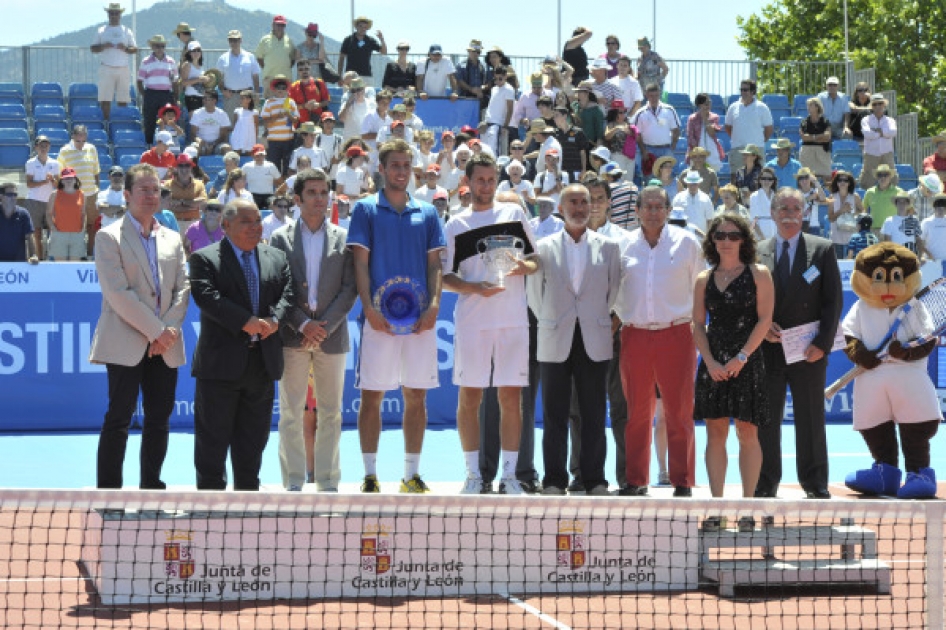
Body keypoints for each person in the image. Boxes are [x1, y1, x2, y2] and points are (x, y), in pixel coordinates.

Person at [347, 139, 445, 493]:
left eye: (406, 165)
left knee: (416, 398)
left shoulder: (429, 212)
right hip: (378, 322)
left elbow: (435, 265)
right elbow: (359, 262)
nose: (401, 171)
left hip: (420, 320)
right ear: (383, 169)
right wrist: (369, 309)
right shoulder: (365, 210)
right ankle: (370, 475)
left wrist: (434, 304)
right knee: (372, 397)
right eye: (395, 165)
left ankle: (411, 475)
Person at [442, 153, 539, 495]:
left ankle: (509, 477)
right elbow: (444, 277)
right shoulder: (455, 224)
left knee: (511, 399)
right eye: (479, 180)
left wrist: (519, 268)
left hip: (512, 322)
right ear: (467, 182)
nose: (485, 186)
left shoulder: (514, 213)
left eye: (490, 179)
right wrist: (474, 288)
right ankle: (472, 475)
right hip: (472, 323)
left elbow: (535, 261)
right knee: (469, 399)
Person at [89, 164, 189, 489]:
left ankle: (152, 487)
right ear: (128, 195)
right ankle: (109, 493)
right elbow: (118, 293)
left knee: (159, 421)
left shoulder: (173, 238)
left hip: (167, 345)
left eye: (155, 189)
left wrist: (169, 331)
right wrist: (157, 331)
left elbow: (182, 289)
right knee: (118, 419)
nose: (151, 195)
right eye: (144, 190)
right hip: (126, 342)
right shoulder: (108, 236)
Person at [189, 198, 293, 491]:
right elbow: (207, 297)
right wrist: (246, 321)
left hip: (261, 365)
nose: (254, 227)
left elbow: (288, 294)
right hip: (219, 368)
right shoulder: (205, 258)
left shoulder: (276, 256)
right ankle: (210, 503)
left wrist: (274, 320)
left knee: (253, 442)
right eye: (245, 222)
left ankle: (248, 499)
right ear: (225, 226)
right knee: (212, 443)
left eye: (257, 221)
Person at [526, 183, 621, 496]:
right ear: (560, 209)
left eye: (585, 202)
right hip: (554, 338)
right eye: (573, 203)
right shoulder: (542, 246)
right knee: (554, 415)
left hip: (594, 339)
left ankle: (594, 480)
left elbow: (614, 293)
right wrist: (552, 320)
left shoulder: (609, 247)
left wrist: (593, 320)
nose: (580, 208)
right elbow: (533, 296)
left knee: (594, 413)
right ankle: (554, 480)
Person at [269, 168, 357, 492]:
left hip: (332, 339)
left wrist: (324, 326)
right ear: (297, 198)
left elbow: (350, 289)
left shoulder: (344, 238)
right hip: (291, 337)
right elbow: (275, 287)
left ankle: (328, 483)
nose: (319, 199)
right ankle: (293, 483)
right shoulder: (279, 238)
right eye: (312, 193)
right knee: (290, 412)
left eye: (324, 193)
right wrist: (303, 323)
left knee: (331, 414)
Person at [756, 188, 843, 499]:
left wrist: (822, 343)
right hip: (767, 350)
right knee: (766, 420)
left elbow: (833, 301)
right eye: (783, 207)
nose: (789, 213)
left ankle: (815, 482)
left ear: (805, 212)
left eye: (795, 207)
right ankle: (765, 483)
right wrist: (761, 329)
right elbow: (750, 301)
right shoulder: (757, 251)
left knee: (811, 418)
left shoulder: (822, 249)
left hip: (809, 352)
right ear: (773, 211)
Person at [617, 185, 704, 496]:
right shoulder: (622, 244)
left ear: (668, 211)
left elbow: (701, 287)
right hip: (635, 334)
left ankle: (682, 480)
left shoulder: (687, 243)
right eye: (647, 206)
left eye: (659, 206)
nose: (653, 212)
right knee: (637, 412)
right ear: (637, 210)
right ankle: (636, 480)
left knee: (679, 411)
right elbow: (613, 289)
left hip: (676, 333)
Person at [693, 214, 774, 510]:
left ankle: (748, 508)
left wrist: (742, 357)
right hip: (713, 363)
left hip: (747, 361)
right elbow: (697, 325)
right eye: (721, 236)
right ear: (712, 240)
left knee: (747, 432)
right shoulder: (703, 278)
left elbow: (765, 320)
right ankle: (717, 507)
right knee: (715, 432)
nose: (726, 241)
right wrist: (711, 362)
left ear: (744, 240)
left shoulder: (759, 273)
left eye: (733, 235)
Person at [57, 125, 100, 257]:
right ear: (73, 137)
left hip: (91, 194)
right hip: (74, 196)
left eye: (83, 140)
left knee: (92, 227)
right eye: (78, 141)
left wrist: (96, 189)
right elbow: (60, 174)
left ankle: (90, 254)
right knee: (75, 226)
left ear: (86, 137)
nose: (81, 143)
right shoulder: (64, 151)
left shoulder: (91, 148)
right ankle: (77, 256)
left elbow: (96, 171)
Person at [90, 3, 137, 120]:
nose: (114, 15)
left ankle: (121, 123)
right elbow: (93, 48)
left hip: (123, 67)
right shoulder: (101, 30)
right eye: (111, 13)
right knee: (105, 98)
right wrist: (103, 46)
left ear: (120, 15)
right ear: (108, 14)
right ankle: (106, 123)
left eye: (116, 13)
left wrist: (125, 48)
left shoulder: (127, 31)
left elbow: (134, 48)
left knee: (123, 98)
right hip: (106, 67)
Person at [726, 79, 774, 173]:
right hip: (738, 149)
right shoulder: (733, 107)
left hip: (756, 149)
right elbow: (728, 127)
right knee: (736, 179)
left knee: (758, 178)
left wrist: (759, 141)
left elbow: (769, 129)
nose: (743, 92)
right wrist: (738, 139)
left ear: (753, 91)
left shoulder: (762, 107)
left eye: (745, 90)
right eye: (741, 90)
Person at [24, 135, 59, 260]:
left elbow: (57, 185)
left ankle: (52, 258)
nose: (44, 147)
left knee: (52, 231)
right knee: (36, 232)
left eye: (46, 145)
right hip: (34, 201)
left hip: (50, 201)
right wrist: (45, 181)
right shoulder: (30, 163)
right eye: (41, 145)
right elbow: (29, 184)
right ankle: (38, 258)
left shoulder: (54, 163)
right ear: (36, 147)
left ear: (49, 147)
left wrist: (53, 179)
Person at [137, 34, 177, 145]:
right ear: (152, 47)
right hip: (151, 93)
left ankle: (169, 145)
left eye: (162, 46)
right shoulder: (145, 61)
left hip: (166, 94)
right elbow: (139, 80)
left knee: (169, 121)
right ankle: (149, 145)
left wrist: (175, 97)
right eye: (157, 46)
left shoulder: (171, 62)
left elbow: (175, 81)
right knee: (149, 121)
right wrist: (145, 95)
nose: (159, 48)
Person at [631, 84, 681, 170]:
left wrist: (673, 146)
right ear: (646, 95)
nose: (654, 98)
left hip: (666, 149)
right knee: (649, 179)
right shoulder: (640, 113)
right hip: (648, 150)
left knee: (666, 177)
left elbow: (676, 129)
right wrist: (643, 151)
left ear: (659, 94)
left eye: (656, 95)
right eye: (651, 96)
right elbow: (637, 134)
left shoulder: (669, 110)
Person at [259, 75, 299, 175]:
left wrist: (288, 114)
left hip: (288, 139)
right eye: (278, 87)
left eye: (283, 88)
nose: (280, 90)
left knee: (287, 166)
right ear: (274, 89)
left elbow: (296, 120)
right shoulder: (269, 102)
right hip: (273, 140)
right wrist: (278, 116)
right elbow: (265, 120)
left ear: (286, 89)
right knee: (273, 166)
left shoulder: (291, 102)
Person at [216, 30, 261, 117]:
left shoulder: (250, 56)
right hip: (230, 96)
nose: (234, 42)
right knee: (231, 123)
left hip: (248, 95)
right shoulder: (222, 58)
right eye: (231, 40)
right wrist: (223, 91)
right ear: (228, 42)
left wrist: (257, 94)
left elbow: (255, 76)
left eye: (236, 40)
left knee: (248, 122)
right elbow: (219, 78)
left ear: (241, 41)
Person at [46, 168, 86, 261]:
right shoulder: (54, 194)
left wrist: (83, 228)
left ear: (75, 179)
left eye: (71, 178)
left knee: (74, 266)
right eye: (66, 178)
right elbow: (48, 213)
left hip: (77, 234)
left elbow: (83, 213)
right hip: (59, 234)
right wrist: (52, 227)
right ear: (62, 180)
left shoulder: (82, 194)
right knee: (60, 267)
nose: (68, 180)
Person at [860, 94, 898, 189]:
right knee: (868, 179)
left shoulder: (890, 120)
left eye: (880, 103)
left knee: (892, 176)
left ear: (884, 105)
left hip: (886, 152)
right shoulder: (866, 120)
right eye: (875, 104)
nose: (877, 106)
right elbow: (867, 134)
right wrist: (883, 133)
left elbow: (893, 132)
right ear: (871, 107)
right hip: (871, 153)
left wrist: (877, 132)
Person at [255, 15, 296, 99]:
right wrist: (267, 67)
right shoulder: (264, 40)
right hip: (269, 77)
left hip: (286, 78)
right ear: (273, 25)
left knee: (286, 106)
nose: (280, 27)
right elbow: (259, 57)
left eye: (282, 25)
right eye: (278, 24)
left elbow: (292, 59)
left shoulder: (289, 41)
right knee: (269, 104)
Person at [826, 170, 864, 257]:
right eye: (840, 180)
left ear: (849, 183)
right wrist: (841, 210)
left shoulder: (855, 197)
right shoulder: (832, 197)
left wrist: (853, 212)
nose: (842, 182)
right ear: (836, 182)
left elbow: (863, 212)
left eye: (845, 180)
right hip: (836, 237)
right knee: (836, 265)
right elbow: (830, 218)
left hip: (852, 238)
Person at [338, 16, 386, 83]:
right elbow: (341, 58)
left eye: (365, 27)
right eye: (360, 26)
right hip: (350, 76)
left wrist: (382, 39)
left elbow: (384, 52)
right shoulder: (348, 40)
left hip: (366, 75)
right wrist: (339, 75)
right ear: (356, 27)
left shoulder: (370, 40)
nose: (363, 29)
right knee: (349, 93)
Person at [167, 153, 207, 231]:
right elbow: (165, 204)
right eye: (181, 166)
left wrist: (181, 202)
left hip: (194, 223)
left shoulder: (199, 184)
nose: (184, 169)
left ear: (191, 167)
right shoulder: (167, 184)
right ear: (176, 168)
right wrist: (192, 205)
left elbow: (203, 202)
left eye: (187, 166)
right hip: (174, 223)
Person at [483, 66, 516, 155]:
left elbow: (510, 110)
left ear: (505, 76)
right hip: (487, 123)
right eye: (496, 79)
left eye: (500, 79)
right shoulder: (494, 89)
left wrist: (505, 126)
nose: (497, 81)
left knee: (493, 151)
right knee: (484, 150)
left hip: (497, 124)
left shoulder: (509, 89)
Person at [687, 93, 724, 170]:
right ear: (700, 105)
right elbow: (690, 137)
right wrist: (698, 153)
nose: (708, 106)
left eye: (709, 103)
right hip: (697, 151)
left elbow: (712, 133)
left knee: (712, 175)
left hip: (712, 151)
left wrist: (705, 119)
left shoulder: (714, 117)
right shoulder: (692, 118)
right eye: (706, 104)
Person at [0, 181, 35, 263]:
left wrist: (33, 255)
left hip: (19, 263)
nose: (13, 197)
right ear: (1, 196)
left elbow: (30, 237)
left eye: (15, 195)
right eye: (9, 195)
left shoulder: (23, 214)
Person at [799, 97, 833, 181]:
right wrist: (820, 137)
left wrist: (812, 137)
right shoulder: (804, 122)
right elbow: (804, 137)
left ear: (817, 107)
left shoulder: (825, 121)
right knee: (806, 176)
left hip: (822, 151)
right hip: (807, 151)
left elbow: (827, 136)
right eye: (808, 105)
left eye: (811, 105)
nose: (808, 108)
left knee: (826, 176)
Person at [189, 91, 232, 156]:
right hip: (201, 143)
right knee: (192, 149)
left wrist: (213, 145)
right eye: (204, 98)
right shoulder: (197, 113)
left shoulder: (222, 114)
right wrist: (201, 142)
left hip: (217, 144)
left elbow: (223, 135)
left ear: (214, 100)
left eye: (207, 99)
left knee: (227, 149)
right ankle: (195, 166)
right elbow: (193, 134)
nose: (204, 101)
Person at [289, 60, 330, 126]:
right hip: (300, 123)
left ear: (310, 69)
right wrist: (304, 106)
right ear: (298, 71)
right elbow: (290, 106)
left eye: (306, 69)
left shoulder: (319, 83)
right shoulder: (293, 86)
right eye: (301, 70)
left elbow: (326, 100)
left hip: (317, 121)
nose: (304, 71)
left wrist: (318, 105)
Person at [243, 144, 282, 209]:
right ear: (252, 155)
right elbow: (240, 180)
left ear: (264, 155)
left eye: (261, 155)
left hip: (269, 196)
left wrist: (278, 193)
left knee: (274, 206)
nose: (259, 157)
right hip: (252, 195)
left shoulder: (271, 166)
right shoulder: (246, 167)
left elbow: (279, 181)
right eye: (257, 155)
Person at [749, 166, 778, 239]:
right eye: (764, 178)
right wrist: (762, 237)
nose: (766, 181)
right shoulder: (754, 196)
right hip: (760, 234)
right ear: (760, 180)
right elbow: (754, 219)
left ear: (773, 181)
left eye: (769, 179)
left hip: (775, 232)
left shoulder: (776, 196)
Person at [96, 166, 127, 231]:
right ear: (109, 177)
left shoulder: (129, 194)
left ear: (124, 177)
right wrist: (122, 208)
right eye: (114, 175)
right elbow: (103, 209)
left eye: (120, 175)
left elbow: (131, 211)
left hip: (124, 231)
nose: (117, 178)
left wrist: (111, 208)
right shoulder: (102, 194)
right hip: (107, 230)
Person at [179, 41, 207, 114]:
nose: (196, 53)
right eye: (194, 51)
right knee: (194, 122)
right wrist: (198, 79)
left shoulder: (201, 66)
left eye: (198, 50)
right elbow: (183, 82)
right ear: (189, 53)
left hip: (201, 97)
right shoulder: (187, 65)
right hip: (191, 97)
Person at [229, 90, 258, 156]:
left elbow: (256, 126)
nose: (241, 100)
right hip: (238, 136)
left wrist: (255, 139)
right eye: (240, 98)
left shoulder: (254, 112)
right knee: (236, 154)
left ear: (249, 100)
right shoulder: (237, 110)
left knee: (249, 154)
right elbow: (235, 124)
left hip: (249, 136)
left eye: (243, 98)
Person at [921, 194, 946, 261]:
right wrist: (928, 254)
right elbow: (920, 242)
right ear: (934, 207)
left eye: (943, 207)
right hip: (931, 261)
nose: (941, 210)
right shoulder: (926, 222)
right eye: (938, 207)